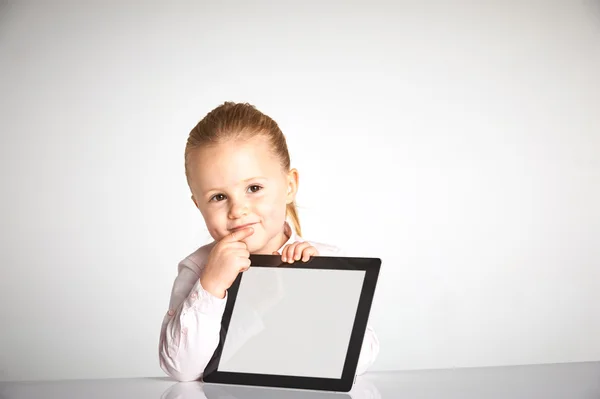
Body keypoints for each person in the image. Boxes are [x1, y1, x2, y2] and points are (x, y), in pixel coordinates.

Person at [158, 102, 380, 382]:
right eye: (218, 197)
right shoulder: (198, 269)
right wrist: (211, 286)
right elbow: (182, 369)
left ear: (289, 186)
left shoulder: (326, 259)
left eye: (254, 188)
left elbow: (361, 360)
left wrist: (319, 291)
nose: (237, 210)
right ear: (198, 205)